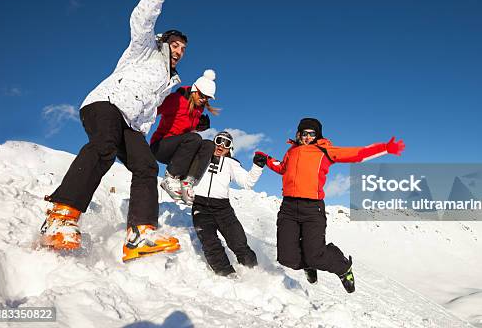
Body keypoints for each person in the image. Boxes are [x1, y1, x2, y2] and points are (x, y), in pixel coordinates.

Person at [40, 0, 193, 263]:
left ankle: (140, 233)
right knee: (104, 147)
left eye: (183, 49)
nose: (179, 51)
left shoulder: (169, 80)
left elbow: (150, 111)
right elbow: (141, 19)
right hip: (105, 104)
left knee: (146, 166)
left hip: (131, 123)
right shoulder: (143, 50)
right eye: (175, 44)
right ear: (162, 42)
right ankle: (61, 216)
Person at [256, 118, 405, 293]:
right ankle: (308, 264)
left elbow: (357, 154)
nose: (308, 137)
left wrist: (385, 148)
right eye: (304, 133)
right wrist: (266, 159)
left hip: (312, 209)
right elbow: (282, 168)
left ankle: (343, 267)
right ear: (299, 134)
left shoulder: (324, 150)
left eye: (312, 134)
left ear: (317, 135)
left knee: (316, 256)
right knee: (287, 259)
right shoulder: (292, 151)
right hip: (288, 208)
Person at [189, 131, 266, 276]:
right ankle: (226, 274)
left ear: (230, 148)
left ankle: (254, 272)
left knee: (238, 242)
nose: (221, 145)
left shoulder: (232, 164)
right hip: (200, 208)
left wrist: (257, 167)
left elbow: (247, 183)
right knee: (210, 243)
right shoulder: (200, 157)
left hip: (223, 209)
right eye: (219, 140)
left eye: (226, 143)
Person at [150, 69, 219, 201]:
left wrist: (198, 125)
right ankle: (170, 177)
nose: (203, 99)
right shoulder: (176, 100)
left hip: (178, 153)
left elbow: (183, 125)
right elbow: (153, 110)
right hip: (160, 146)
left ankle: (188, 181)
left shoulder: (199, 108)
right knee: (194, 138)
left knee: (208, 145)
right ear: (194, 90)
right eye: (201, 95)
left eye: (207, 98)